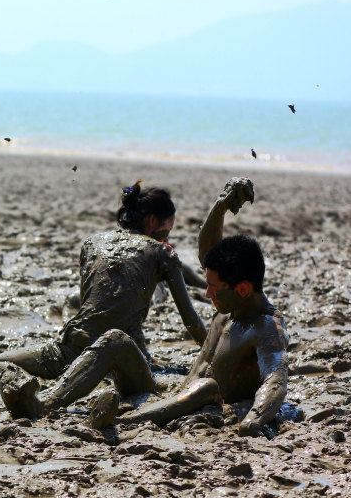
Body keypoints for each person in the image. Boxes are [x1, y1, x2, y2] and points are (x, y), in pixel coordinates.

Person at [89, 178, 289, 437]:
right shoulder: (231, 305)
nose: (206, 294)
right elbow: (208, 248)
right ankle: (47, 401)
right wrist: (221, 205)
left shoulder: (266, 327)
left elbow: (275, 381)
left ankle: (121, 422)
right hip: (172, 396)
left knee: (206, 386)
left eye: (213, 288)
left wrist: (253, 420)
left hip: (204, 405)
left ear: (242, 289)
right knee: (115, 340)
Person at [0, 181, 207, 419]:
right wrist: (211, 355)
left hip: (73, 346)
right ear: (152, 222)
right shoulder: (162, 252)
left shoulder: (92, 242)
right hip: (116, 353)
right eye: (168, 229)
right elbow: (191, 321)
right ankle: (45, 405)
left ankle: (11, 375)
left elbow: (92, 303)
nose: (168, 236)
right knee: (114, 343)